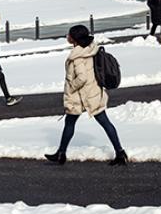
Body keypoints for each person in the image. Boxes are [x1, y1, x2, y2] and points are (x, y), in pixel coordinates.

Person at [45, 25, 128, 166]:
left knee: (70, 123)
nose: (67, 37)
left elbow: (82, 77)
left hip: (82, 96)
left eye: (69, 35)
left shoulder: (77, 57)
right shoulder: (90, 48)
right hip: (94, 92)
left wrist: (71, 87)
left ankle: (61, 154)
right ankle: (120, 152)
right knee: (104, 122)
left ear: (74, 38)